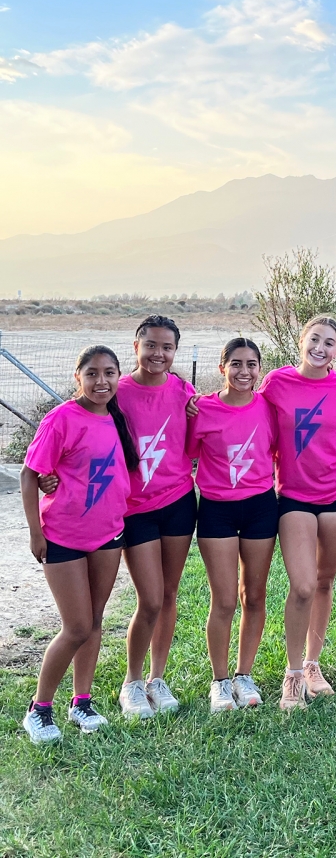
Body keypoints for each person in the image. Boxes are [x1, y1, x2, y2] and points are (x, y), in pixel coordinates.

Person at [20, 346, 137, 744]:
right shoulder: (62, 419)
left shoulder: (118, 419)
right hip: (63, 536)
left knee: (96, 620)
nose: (101, 381)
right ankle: (39, 709)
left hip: (108, 534)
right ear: (77, 378)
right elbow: (29, 474)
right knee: (76, 626)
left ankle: (82, 702)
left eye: (109, 373)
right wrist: (36, 531)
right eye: (91, 373)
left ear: (119, 376)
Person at [260, 316, 336, 710]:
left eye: (329, 343)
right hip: (294, 496)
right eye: (314, 339)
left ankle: (314, 666)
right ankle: (293, 674)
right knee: (302, 586)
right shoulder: (276, 384)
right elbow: (245, 417)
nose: (320, 348)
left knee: (325, 582)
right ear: (301, 341)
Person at [186, 338, 278, 713]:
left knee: (254, 596)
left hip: (259, 507)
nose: (244, 371)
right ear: (222, 367)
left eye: (252, 364)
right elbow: (186, 453)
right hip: (216, 510)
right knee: (224, 599)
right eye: (236, 364)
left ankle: (244, 674)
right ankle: (221, 681)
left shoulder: (269, 408)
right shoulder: (202, 409)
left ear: (260, 369)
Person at [115, 316, 198, 718]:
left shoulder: (185, 392)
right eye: (151, 345)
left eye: (167, 348)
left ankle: (157, 678)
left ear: (175, 352)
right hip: (135, 509)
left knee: (168, 595)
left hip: (179, 502)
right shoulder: (117, 392)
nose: (158, 354)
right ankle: (131, 682)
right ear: (136, 347)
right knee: (148, 599)